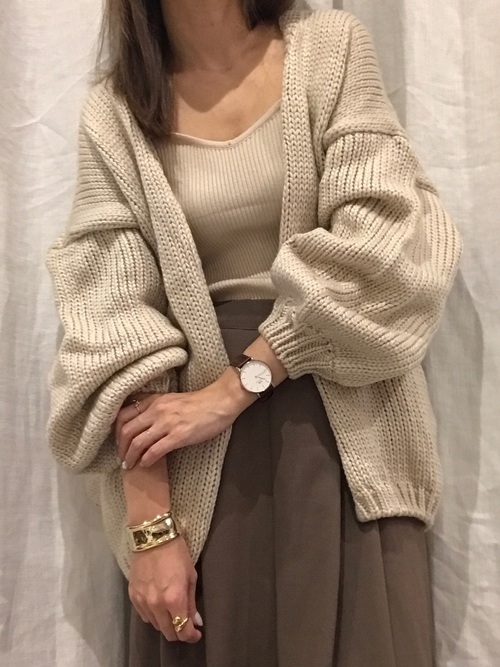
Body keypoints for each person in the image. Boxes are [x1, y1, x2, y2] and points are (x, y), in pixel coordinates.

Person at [46, 1, 462, 665]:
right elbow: (110, 324)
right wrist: (152, 531)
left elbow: (387, 244)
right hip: (194, 469)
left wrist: (235, 387)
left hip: (346, 433)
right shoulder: (117, 109)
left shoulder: (330, 50)